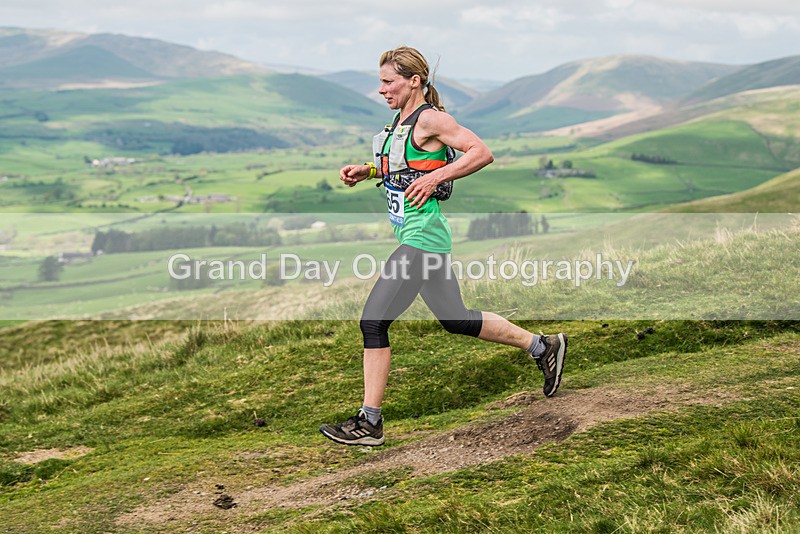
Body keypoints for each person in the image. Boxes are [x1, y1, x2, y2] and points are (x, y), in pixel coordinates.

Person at [319, 46, 567, 447]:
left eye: (388, 81)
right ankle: (543, 346)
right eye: (380, 81)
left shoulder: (431, 119)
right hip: (422, 240)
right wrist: (364, 171)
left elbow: (480, 152)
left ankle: (370, 423)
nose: (380, 89)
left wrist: (437, 180)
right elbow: (403, 167)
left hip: (421, 240)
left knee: (373, 322)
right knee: (456, 319)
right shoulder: (399, 124)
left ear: (413, 81)